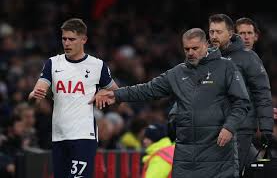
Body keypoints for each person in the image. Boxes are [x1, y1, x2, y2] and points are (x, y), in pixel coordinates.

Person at [91, 28, 250, 178]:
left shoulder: (226, 67)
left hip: (218, 152)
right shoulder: (177, 73)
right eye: (186, 49)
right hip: (186, 155)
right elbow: (148, 89)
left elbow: (242, 102)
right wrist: (117, 95)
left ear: (206, 45)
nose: (190, 53)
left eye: (195, 48)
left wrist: (229, 127)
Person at [28, 18, 118, 178]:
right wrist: (34, 95)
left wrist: (104, 93)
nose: (67, 43)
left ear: (84, 39)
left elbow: (117, 93)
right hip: (59, 135)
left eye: (72, 39)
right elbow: (35, 93)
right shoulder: (53, 63)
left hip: (84, 135)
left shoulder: (97, 66)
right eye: (64, 39)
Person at [208, 13, 274, 176]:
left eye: (218, 32)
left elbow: (262, 93)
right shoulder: (207, 57)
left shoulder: (249, 58)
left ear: (230, 34)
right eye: (211, 32)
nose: (214, 36)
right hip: (214, 126)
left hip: (240, 126)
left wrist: (266, 129)